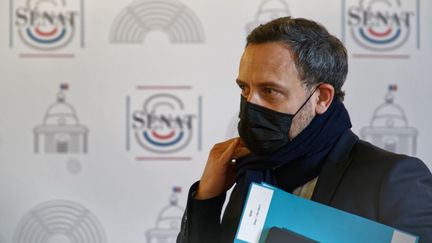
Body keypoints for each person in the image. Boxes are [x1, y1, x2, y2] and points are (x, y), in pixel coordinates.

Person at [177, 16, 432, 243]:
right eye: (244, 88)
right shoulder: (250, 171)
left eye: (269, 90)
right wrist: (207, 198)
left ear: (321, 98)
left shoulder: (393, 178)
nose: (250, 103)